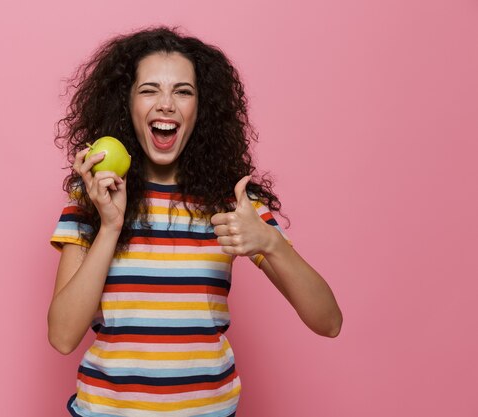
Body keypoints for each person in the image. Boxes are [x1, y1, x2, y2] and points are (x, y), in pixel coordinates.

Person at [48, 26, 342, 417]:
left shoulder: (232, 203)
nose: (166, 104)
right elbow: (63, 337)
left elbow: (328, 322)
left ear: (201, 109)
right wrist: (110, 227)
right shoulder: (92, 200)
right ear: (126, 104)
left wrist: (269, 242)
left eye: (183, 91)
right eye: (149, 89)